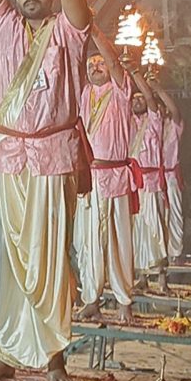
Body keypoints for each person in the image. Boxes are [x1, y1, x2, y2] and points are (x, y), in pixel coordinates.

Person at [0, 0, 90, 381]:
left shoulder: (69, 32)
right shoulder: (1, 26)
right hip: (5, 160)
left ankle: (53, 355)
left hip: (50, 161)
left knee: (49, 261)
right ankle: (4, 349)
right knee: (1, 261)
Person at [76, 27, 138, 325]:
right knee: (90, 243)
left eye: (99, 63)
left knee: (118, 242)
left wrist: (94, 28)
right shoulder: (85, 93)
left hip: (116, 176)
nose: (95, 68)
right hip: (91, 181)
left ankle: (125, 300)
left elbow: (115, 63)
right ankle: (92, 299)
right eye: (91, 65)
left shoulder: (120, 89)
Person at [130, 77, 169, 292]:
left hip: (152, 185)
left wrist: (142, 81)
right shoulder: (127, 122)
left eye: (140, 99)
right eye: (134, 99)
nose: (137, 102)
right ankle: (143, 279)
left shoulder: (154, 121)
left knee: (156, 232)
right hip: (136, 186)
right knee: (138, 234)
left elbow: (152, 102)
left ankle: (162, 280)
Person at [154, 82, 184, 260]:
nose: (158, 111)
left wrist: (158, 89)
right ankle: (159, 255)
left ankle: (175, 254)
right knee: (157, 216)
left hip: (171, 177)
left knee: (175, 216)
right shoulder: (149, 127)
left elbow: (175, 111)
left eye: (161, 108)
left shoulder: (173, 126)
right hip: (154, 179)